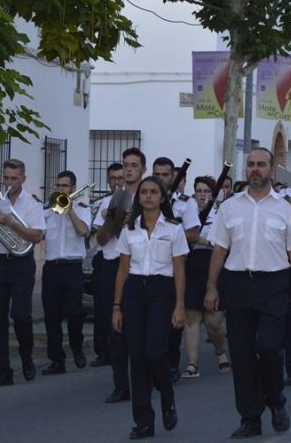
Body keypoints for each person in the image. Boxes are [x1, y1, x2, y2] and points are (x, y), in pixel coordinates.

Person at [205, 148, 291, 439]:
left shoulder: (285, 209)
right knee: (241, 354)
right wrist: (211, 287)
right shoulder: (230, 207)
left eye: (261, 165)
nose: (255, 169)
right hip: (237, 285)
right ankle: (250, 418)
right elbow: (219, 249)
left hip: (274, 285)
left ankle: (276, 402)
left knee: (268, 348)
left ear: (272, 170)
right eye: (250, 165)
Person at [112, 176, 188, 439]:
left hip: (162, 291)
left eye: (153, 192)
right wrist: (117, 307)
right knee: (138, 358)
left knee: (155, 353)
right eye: (143, 192)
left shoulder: (174, 230)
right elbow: (122, 270)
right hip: (134, 291)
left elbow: (179, 270)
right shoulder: (129, 230)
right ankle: (143, 420)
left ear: (162, 198)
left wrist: (180, 306)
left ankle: (167, 396)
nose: (147, 196)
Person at [0, 158, 46, 387]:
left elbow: (37, 236)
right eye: (6, 178)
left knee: (20, 315)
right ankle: (3, 371)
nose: (9, 182)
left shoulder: (32, 204)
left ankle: (26, 357)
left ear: (23, 179)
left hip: (21, 263)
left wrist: (10, 222)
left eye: (14, 178)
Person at [94, 147, 147, 403]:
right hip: (111, 265)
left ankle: (142, 381)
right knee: (114, 329)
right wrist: (111, 220)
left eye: (134, 165)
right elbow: (101, 239)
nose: (128, 169)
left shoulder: (149, 197)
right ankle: (120, 385)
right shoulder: (109, 201)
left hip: (138, 267)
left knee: (139, 329)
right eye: (126, 164)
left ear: (143, 170)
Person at [152, 157, 200, 381]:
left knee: (173, 318)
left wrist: (171, 230)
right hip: (149, 266)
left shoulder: (185, 203)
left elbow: (193, 233)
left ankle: (171, 362)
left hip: (175, 267)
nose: (161, 179)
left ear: (173, 177)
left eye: (165, 175)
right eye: (157, 174)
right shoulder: (148, 199)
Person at [41, 170, 91, 375]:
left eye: (65, 186)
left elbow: (83, 231)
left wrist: (69, 210)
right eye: (58, 186)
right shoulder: (46, 211)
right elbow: (38, 235)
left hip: (72, 267)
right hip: (52, 267)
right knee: (51, 316)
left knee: (74, 312)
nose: (61, 189)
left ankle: (77, 347)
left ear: (73, 188)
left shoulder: (82, 209)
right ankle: (56, 360)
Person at [181, 176, 228, 378]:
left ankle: (221, 352)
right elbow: (182, 236)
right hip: (192, 266)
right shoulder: (187, 213)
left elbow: (223, 241)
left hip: (215, 267)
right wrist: (201, 238)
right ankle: (192, 364)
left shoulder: (221, 214)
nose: (202, 195)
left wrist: (206, 241)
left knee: (213, 322)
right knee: (191, 318)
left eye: (206, 191)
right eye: (199, 191)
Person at [91, 161, 124, 367]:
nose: (117, 182)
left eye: (120, 178)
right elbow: (101, 237)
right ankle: (104, 351)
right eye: (113, 178)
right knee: (103, 307)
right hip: (109, 259)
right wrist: (109, 217)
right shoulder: (105, 202)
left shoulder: (134, 199)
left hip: (129, 260)